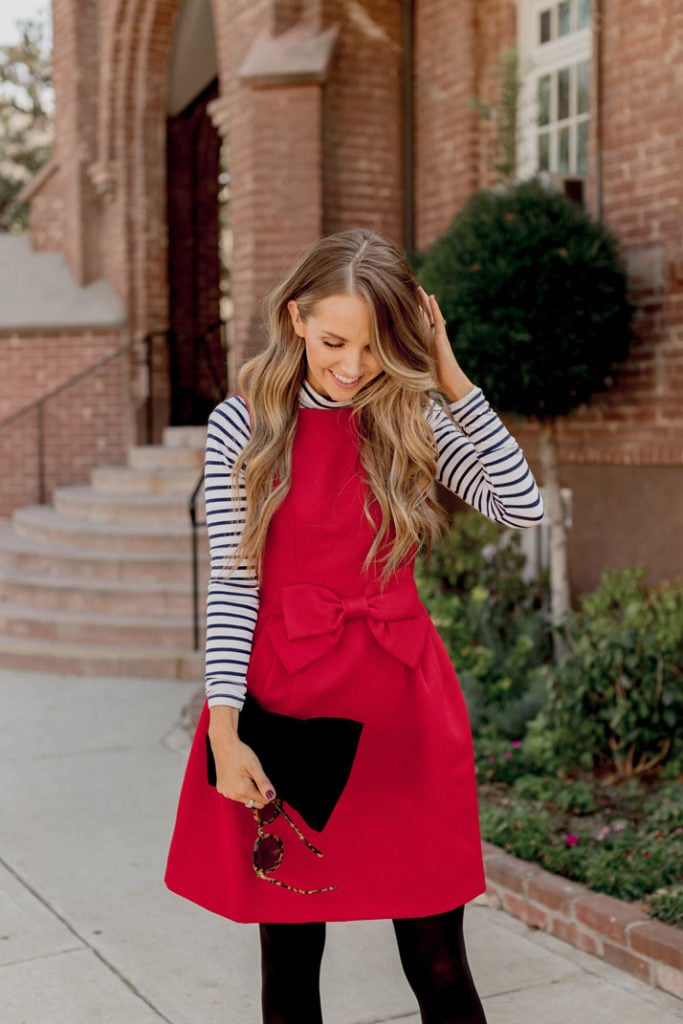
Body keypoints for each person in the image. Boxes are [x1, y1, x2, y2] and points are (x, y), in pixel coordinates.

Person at [165, 228, 544, 1023]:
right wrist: (223, 733)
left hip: (405, 710)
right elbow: (235, 585)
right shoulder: (245, 423)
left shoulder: (409, 416)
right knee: (291, 967)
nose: (351, 367)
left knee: (441, 967)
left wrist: (450, 379)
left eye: (374, 348)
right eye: (335, 341)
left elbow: (523, 506)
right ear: (296, 317)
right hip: (292, 709)